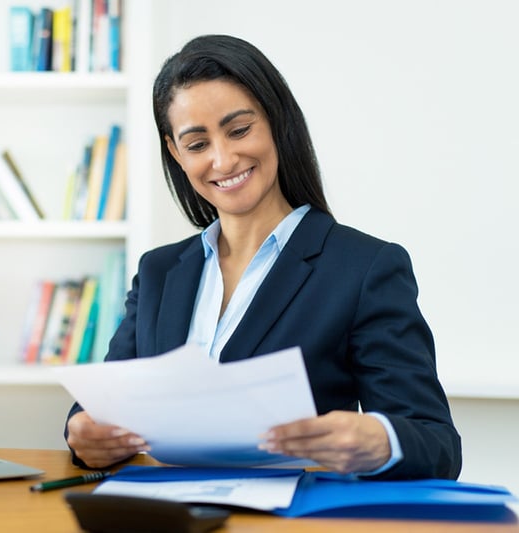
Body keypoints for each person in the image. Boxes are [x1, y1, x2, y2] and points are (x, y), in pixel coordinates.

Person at [64, 34, 462, 480]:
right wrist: (82, 434)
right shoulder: (159, 272)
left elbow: (437, 444)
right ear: (176, 153)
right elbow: (99, 409)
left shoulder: (364, 268)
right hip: (162, 514)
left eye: (239, 130)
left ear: (276, 122)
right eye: (197, 144)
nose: (223, 159)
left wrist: (377, 442)